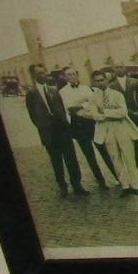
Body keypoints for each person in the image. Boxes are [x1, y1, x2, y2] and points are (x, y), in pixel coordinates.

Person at [25, 66, 86, 196]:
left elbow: (62, 108)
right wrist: (43, 126)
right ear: (34, 76)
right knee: (56, 161)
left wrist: (64, 122)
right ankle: (62, 186)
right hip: (48, 132)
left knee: (71, 158)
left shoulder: (53, 90)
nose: (43, 75)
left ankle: (77, 184)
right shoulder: (31, 93)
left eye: (44, 72)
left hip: (62, 129)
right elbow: (32, 115)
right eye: (39, 73)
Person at [89, 69, 138, 196]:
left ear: (107, 80)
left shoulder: (117, 94)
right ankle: (125, 186)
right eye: (97, 81)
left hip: (122, 128)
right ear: (94, 82)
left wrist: (105, 112)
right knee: (115, 159)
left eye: (102, 80)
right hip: (106, 129)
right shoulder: (93, 97)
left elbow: (123, 112)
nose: (100, 83)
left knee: (129, 157)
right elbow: (94, 116)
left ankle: (135, 185)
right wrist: (108, 114)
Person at [58, 67, 113, 189]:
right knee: (90, 156)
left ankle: (118, 176)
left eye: (73, 74)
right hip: (78, 126)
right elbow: (70, 108)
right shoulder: (62, 92)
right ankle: (101, 181)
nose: (72, 76)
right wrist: (84, 102)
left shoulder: (86, 88)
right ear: (65, 77)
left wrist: (80, 104)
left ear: (77, 75)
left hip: (92, 123)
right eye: (68, 75)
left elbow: (93, 103)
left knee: (104, 150)